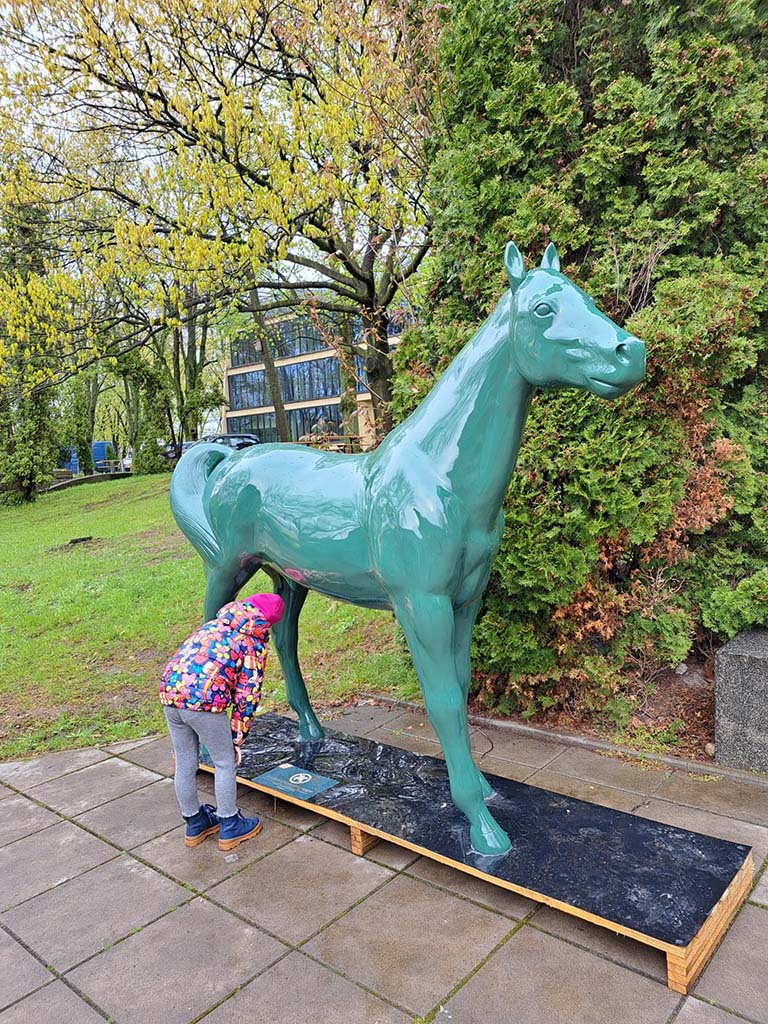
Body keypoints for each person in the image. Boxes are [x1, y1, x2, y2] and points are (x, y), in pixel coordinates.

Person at [159, 592, 285, 851]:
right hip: (204, 701)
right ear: (268, 622)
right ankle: (230, 824)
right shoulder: (252, 643)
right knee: (225, 761)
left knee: (185, 761)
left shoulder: (214, 625)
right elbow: (247, 696)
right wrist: (236, 740)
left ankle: (194, 822)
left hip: (170, 694)